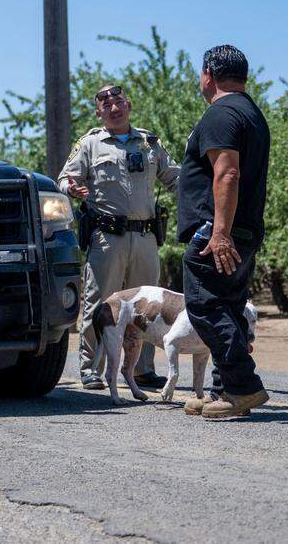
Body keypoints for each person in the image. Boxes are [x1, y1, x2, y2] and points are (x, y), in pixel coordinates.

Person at [58, 83, 180, 391]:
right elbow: (64, 179)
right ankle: (90, 368)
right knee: (100, 304)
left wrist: (202, 191)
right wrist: (72, 189)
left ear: (129, 105)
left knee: (148, 306)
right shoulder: (90, 144)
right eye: (107, 104)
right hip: (107, 238)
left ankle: (142, 369)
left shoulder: (150, 142)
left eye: (119, 102)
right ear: (99, 112)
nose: (114, 108)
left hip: (145, 237)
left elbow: (174, 178)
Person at [176, 45, 270, 419]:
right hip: (242, 228)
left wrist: (219, 233)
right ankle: (224, 390)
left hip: (218, 230)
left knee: (203, 303)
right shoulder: (250, 113)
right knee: (228, 306)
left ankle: (243, 386)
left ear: (208, 73)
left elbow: (227, 173)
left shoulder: (221, 112)